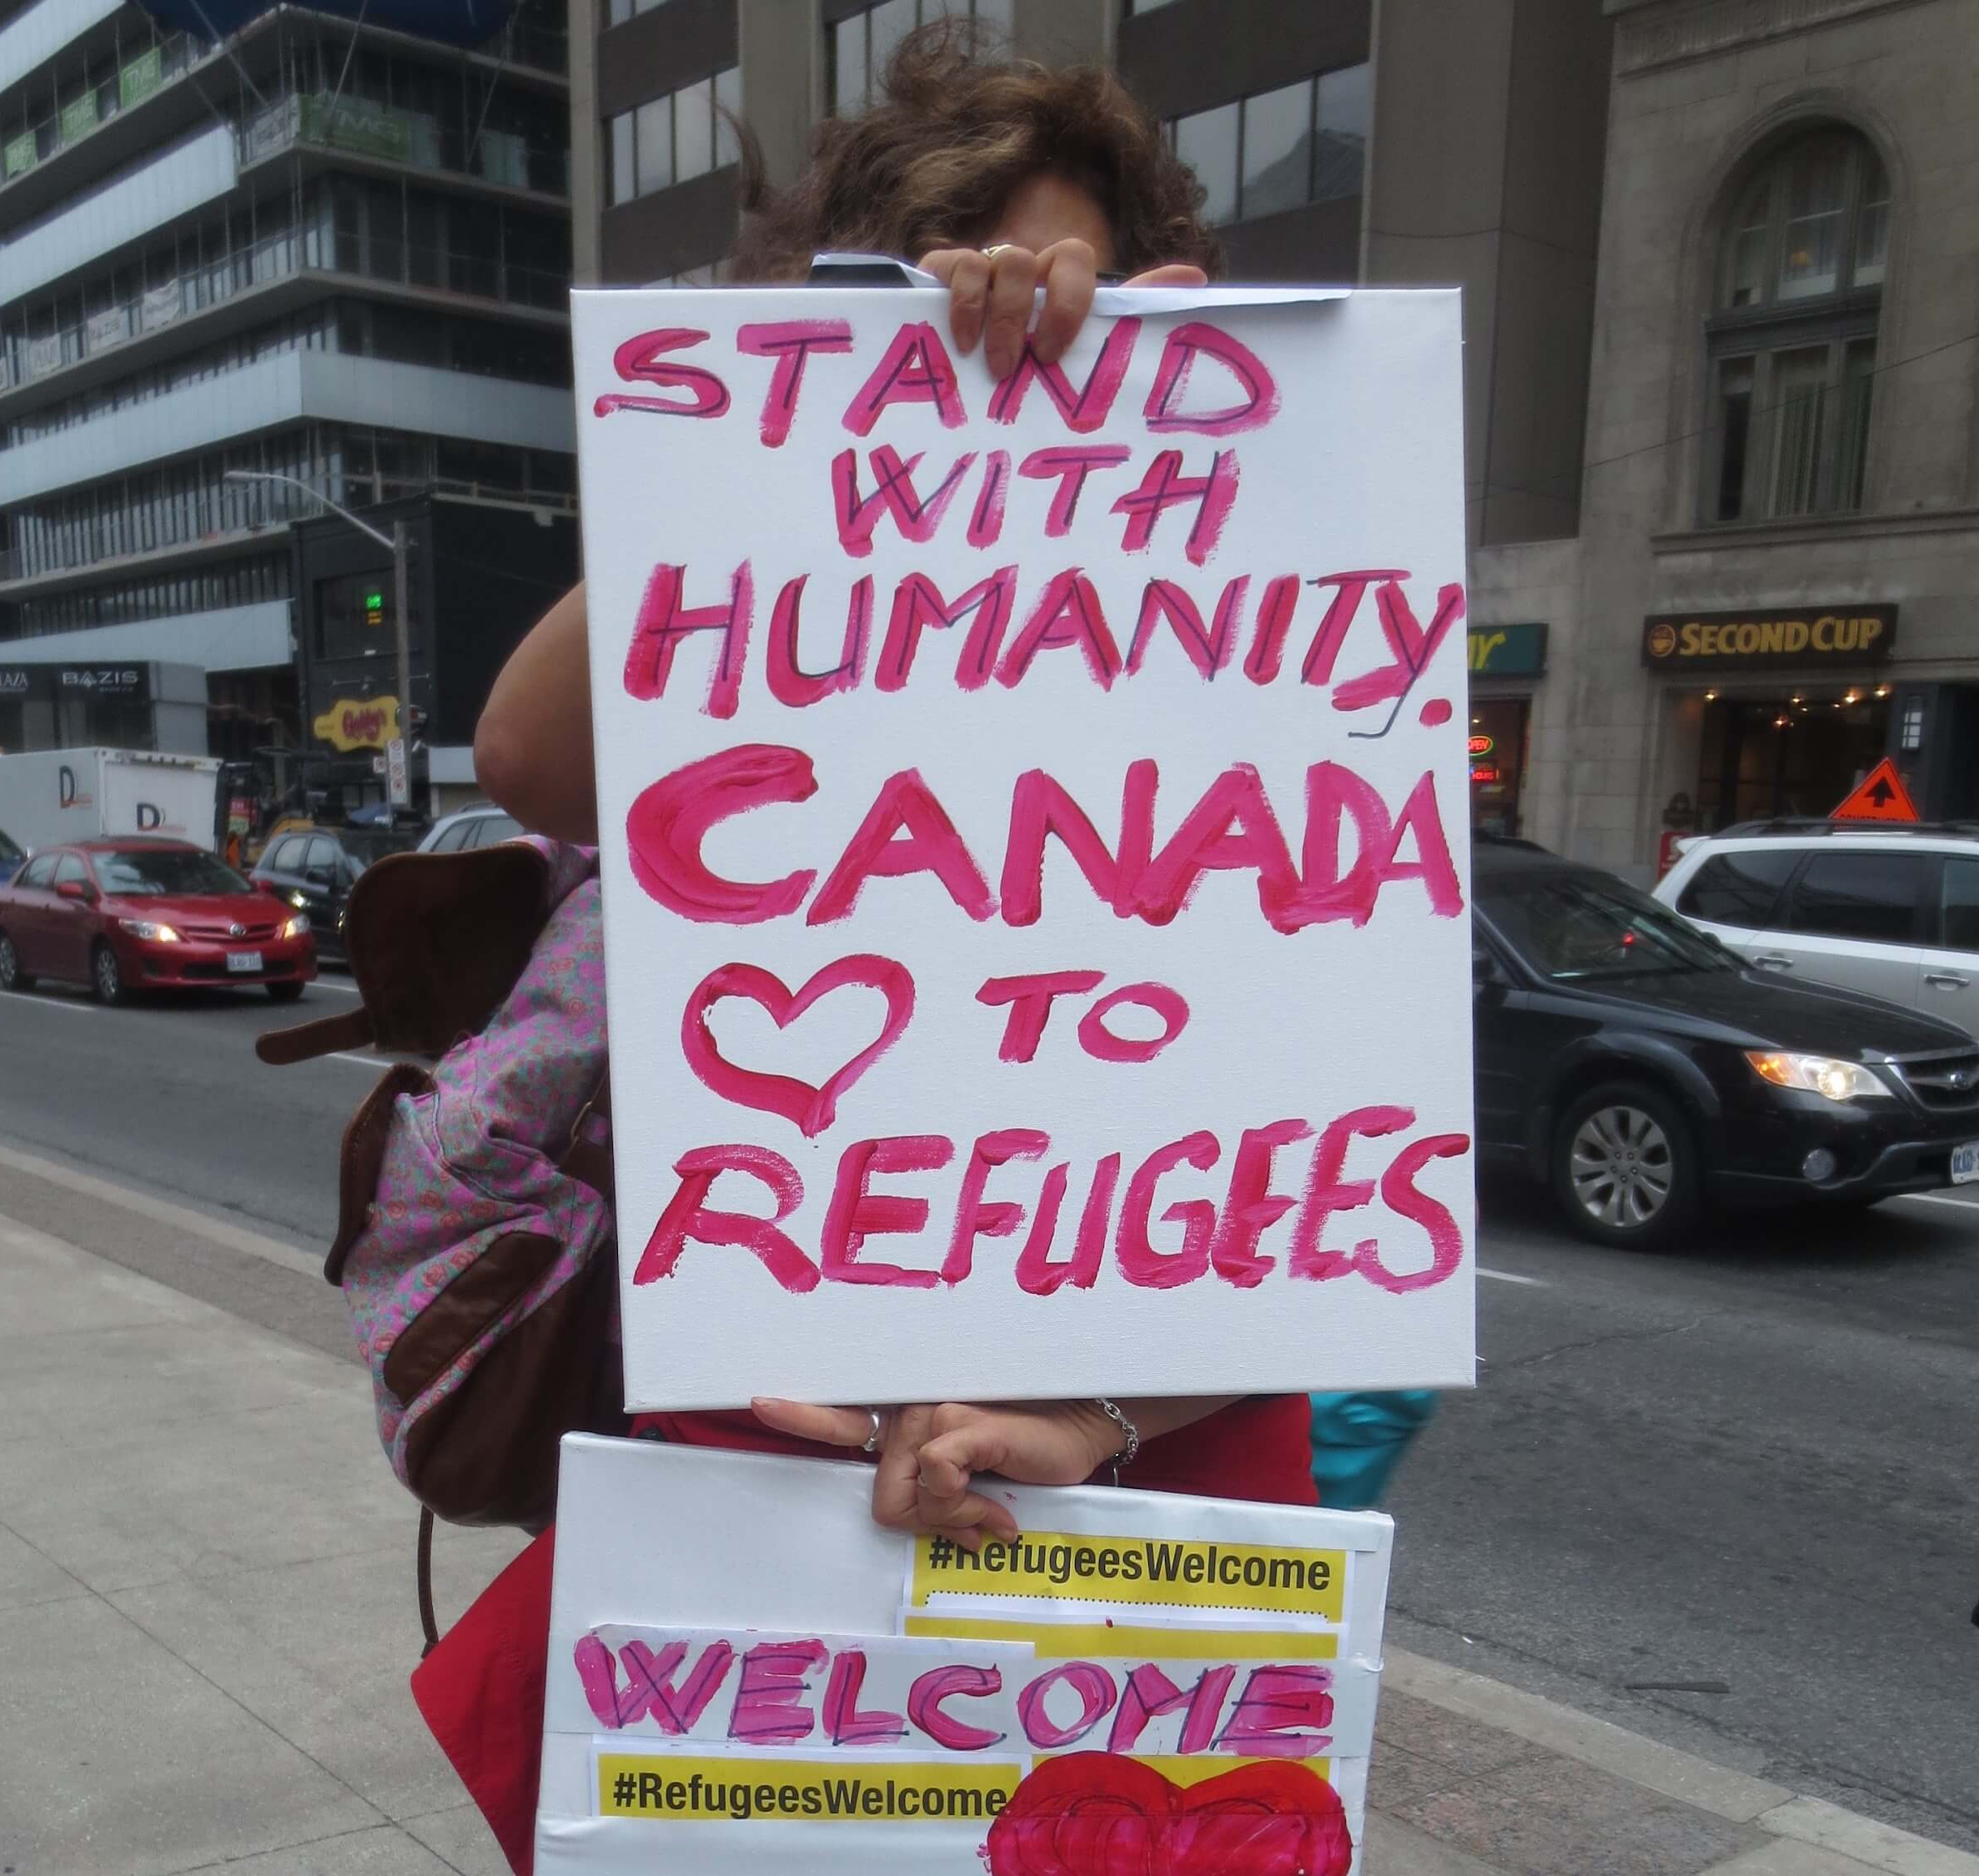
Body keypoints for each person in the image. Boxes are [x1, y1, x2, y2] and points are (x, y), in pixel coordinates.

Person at [429, 28, 1316, 1867]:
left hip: (1142, 1462)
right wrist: (833, 392)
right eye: (948, 269)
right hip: (775, 1450)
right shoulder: (763, 569)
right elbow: (529, 753)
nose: (1006, 322)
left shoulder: (1259, 623)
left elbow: (1320, 1176)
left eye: (1052, 275)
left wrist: (1104, 1413)